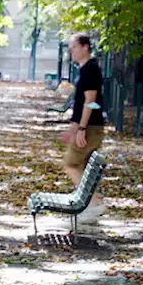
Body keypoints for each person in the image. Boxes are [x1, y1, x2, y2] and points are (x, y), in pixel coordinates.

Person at [60, 32, 106, 224]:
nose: (72, 51)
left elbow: (90, 102)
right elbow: (80, 104)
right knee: (83, 166)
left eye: (75, 47)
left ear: (85, 47)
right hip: (87, 126)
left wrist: (82, 129)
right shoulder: (85, 69)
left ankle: (93, 202)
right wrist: (73, 128)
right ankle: (91, 203)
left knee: (71, 164)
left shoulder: (90, 69)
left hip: (91, 127)